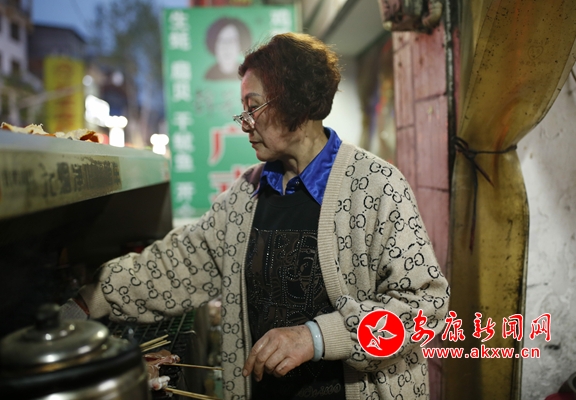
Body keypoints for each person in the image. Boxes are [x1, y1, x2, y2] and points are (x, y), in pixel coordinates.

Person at [62, 32, 449, 400]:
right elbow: (176, 265)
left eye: (254, 107)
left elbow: (425, 306)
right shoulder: (246, 196)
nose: (244, 122)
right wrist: (90, 300)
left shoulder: (376, 186)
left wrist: (316, 338)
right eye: (243, 110)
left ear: (294, 99)